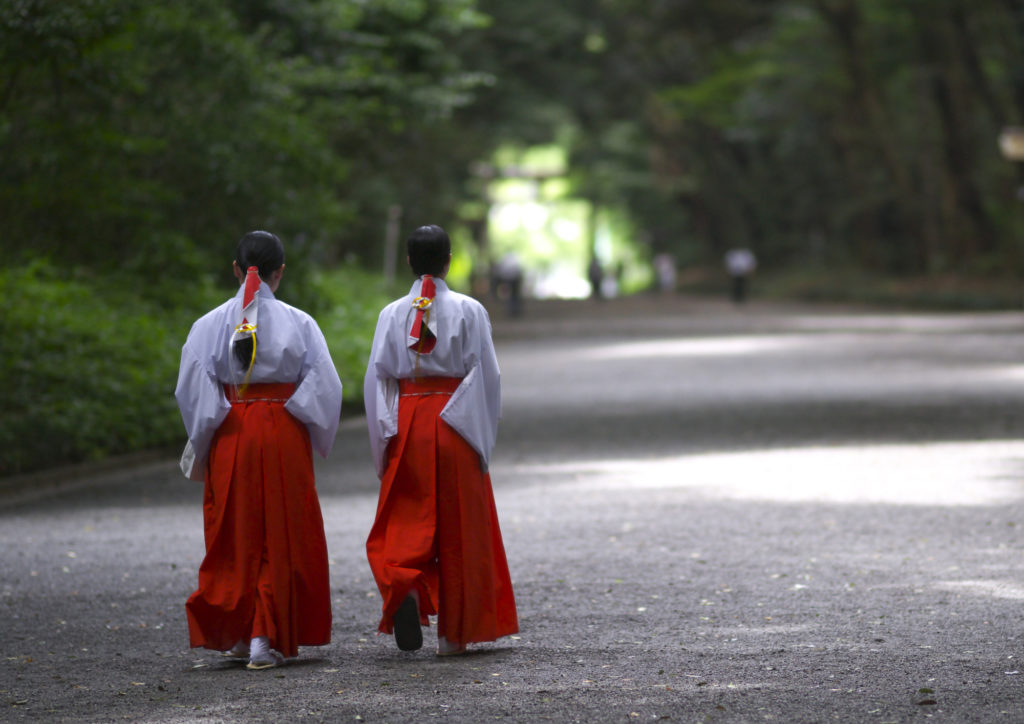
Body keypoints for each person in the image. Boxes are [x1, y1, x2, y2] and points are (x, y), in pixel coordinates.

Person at [175, 230, 342, 670]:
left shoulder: (208, 324)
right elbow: (326, 386)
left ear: (235, 269)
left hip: (233, 430)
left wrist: (209, 434)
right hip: (284, 429)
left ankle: (239, 628)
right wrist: (298, 416)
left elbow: (193, 392)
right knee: (281, 530)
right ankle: (262, 637)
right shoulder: (300, 322)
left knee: (235, 530)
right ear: (280, 272)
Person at [364, 224, 518, 656]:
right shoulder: (471, 310)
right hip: (456, 419)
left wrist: (384, 441)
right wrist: (481, 438)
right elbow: (488, 376)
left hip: (409, 420)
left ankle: (406, 586)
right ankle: (455, 635)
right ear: (449, 261)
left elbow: (378, 381)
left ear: (410, 261)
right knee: (460, 526)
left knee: (403, 519)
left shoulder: (391, 314)